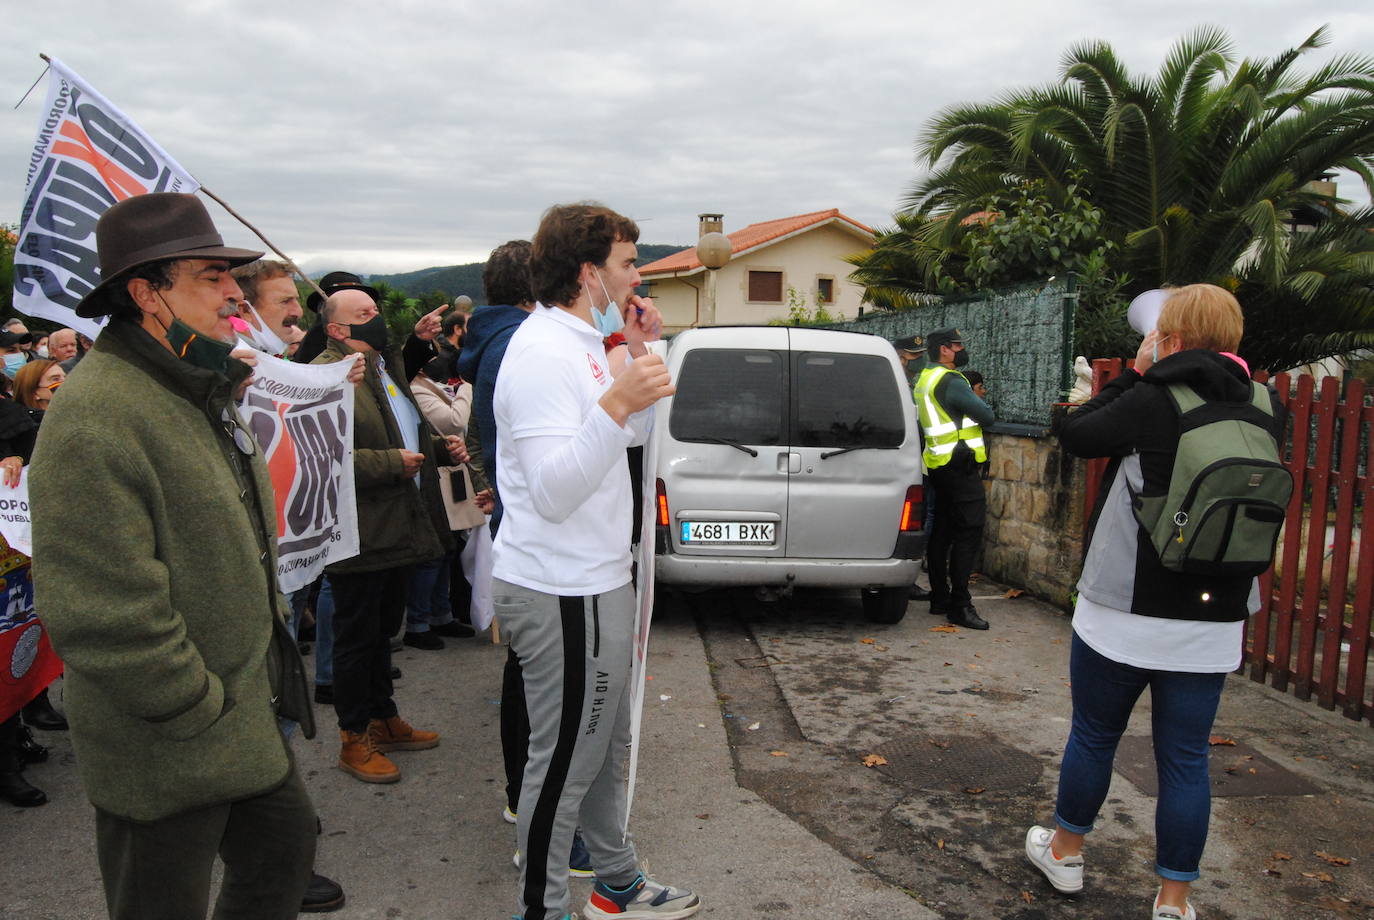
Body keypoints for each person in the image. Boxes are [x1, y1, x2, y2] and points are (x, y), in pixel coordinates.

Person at [28, 192, 316, 919]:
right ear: (145, 294)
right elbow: (100, 614)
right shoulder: (96, 416)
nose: (233, 292)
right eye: (209, 276)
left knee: (283, 856)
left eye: (232, 274)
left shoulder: (194, 388)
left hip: (240, 720)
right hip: (166, 739)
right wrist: (195, 704)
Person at [1027, 284, 1284, 920]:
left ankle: (1064, 855)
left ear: (1167, 337)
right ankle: (1174, 901)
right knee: (1186, 758)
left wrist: (1139, 371)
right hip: (1216, 613)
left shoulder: (1153, 396)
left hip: (1126, 609)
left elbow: (1077, 433)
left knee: (1094, 735)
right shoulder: (1266, 403)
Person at [493, 203, 698, 920]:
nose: (637, 275)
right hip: (560, 588)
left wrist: (640, 356)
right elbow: (550, 492)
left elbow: (630, 436)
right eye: (628, 262)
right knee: (563, 769)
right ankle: (541, 909)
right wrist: (615, 399)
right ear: (589, 272)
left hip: (595, 579)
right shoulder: (545, 351)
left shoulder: (585, 338)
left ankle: (616, 882)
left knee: (607, 745)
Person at [312, 287, 457, 784]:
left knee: (380, 635)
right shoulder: (325, 377)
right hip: (358, 532)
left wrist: (436, 448)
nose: (376, 319)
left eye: (376, 311)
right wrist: (393, 464)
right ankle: (354, 738)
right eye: (364, 314)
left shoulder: (374, 369)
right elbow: (322, 460)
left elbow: (400, 427)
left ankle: (382, 717)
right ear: (336, 330)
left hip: (396, 525)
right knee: (356, 640)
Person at [913, 327, 994, 630]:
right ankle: (960, 605)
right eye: (958, 346)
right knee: (969, 531)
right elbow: (986, 416)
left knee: (942, 531)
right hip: (960, 466)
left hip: (937, 464)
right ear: (944, 350)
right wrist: (977, 403)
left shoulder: (924, 379)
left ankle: (939, 597)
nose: (962, 350)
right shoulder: (951, 381)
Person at [231, 258, 305, 357]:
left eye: (296, 300)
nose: (298, 312)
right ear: (245, 310)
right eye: (285, 301)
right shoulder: (227, 365)